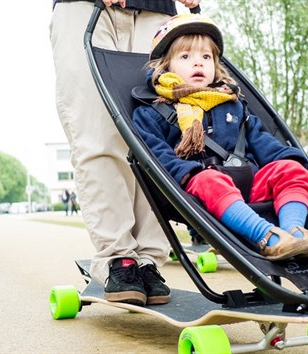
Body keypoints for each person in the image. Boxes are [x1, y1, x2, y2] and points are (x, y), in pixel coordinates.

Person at [132, 14, 308, 261]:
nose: (198, 64)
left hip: (248, 184)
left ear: (215, 65)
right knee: (210, 180)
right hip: (198, 193)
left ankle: (294, 234)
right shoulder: (152, 113)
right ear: (165, 66)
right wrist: (190, 173)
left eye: (206, 57)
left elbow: (262, 142)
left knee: (291, 169)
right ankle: (269, 238)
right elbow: (158, 157)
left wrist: (290, 159)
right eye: (185, 57)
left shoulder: (234, 105)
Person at [50, 0, 201, 306]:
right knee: (99, 136)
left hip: (156, 12)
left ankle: (148, 261)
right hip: (87, 9)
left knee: (157, 138)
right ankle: (118, 258)